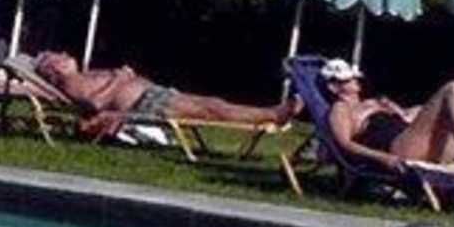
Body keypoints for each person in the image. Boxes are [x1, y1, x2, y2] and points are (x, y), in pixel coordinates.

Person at [28, 51, 293, 142]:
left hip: (153, 95)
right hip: (146, 105)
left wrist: (125, 76)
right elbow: (95, 103)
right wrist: (120, 78)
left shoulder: (82, 74)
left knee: (212, 104)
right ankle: (272, 114)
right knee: (212, 109)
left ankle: (271, 114)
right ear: (51, 70)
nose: (64, 54)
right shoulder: (70, 83)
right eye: (57, 56)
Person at [317, 59, 454, 174]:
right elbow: (345, 144)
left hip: (417, 140)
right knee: (452, 88)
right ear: (333, 87)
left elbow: (408, 118)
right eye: (346, 80)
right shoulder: (340, 109)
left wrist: (400, 110)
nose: (354, 81)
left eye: (353, 77)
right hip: (399, 148)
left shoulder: (372, 102)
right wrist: (382, 158)